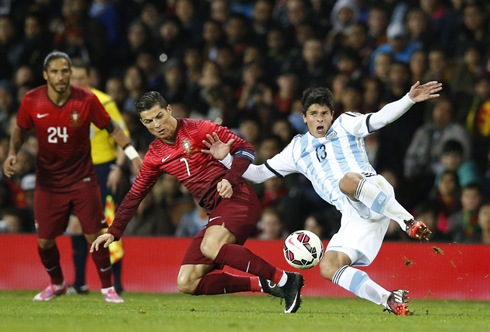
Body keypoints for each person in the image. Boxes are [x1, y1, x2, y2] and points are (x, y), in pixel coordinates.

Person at [203, 81, 442, 316]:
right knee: (329, 267)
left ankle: (408, 222)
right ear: (304, 117)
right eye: (314, 113)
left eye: (324, 113)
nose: (320, 118)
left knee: (347, 181)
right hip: (353, 214)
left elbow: (380, 118)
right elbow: (257, 174)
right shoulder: (296, 150)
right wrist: (227, 160)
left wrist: (408, 99)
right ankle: (388, 299)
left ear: (332, 114)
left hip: (372, 189)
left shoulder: (347, 123)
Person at [90, 91, 304, 314]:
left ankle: (284, 279)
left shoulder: (199, 129)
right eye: (149, 121)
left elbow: (245, 149)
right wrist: (113, 231)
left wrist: (230, 178)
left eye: (159, 116)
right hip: (216, 211)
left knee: (210, 247)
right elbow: (135, 194)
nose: (157, 125)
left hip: (237, 199)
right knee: (187, 281)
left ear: (169, 110)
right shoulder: (154, 154)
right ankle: (264, 284)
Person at [2, 51, 138, 303]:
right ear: (45, 75)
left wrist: (131, 155)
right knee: (44, 241)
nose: (61, 76)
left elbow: (112, 128)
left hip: (83, 178)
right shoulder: (33, 100)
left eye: (65, 71)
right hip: (48, 182)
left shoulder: (87, 99)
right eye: (55, 71)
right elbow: (20, 130)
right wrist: (12, 153)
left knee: (95, 234)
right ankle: (57, 284)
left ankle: (108, 287)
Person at [66, 59, 143, 295]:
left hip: (101, 169)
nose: (77, 82)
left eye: (81, 78)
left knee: (106, 227)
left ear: (90, 79)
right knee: (76, 225)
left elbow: (122, 136)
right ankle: (80, 283)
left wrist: (119, 168)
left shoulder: (103, 101)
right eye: (73, 78)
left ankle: (116, 283)